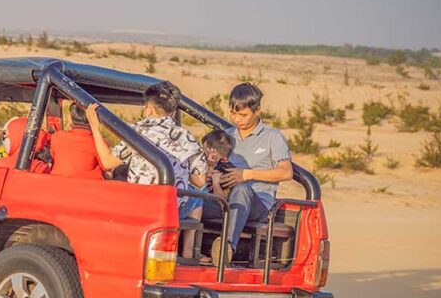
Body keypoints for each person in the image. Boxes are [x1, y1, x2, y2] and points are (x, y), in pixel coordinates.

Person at [85, 81, 208, 221]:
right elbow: (199, 181)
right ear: (173, 111)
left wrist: (95, 127)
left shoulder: (136, 131)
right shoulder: (187, 137)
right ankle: (187, 243)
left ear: (149, 108)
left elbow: (107, 163)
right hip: (171, 210)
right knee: (196, 199)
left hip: (140, 205)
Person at [201, 82, 293, 264]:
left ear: (257, 110)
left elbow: (286, 172)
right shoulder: (225, 136)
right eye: (233, 113)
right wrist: (209, 172)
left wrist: (246, 174)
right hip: (222, 199)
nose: (237, 120)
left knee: (242, 190)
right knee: (188, 199)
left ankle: (226, 249)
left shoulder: (272, 137)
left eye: (243, 115)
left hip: (257, 203)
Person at [48, 102, 104, 179]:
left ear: (71, 118)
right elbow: (106, 166)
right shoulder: (99, 143)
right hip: (85, 188)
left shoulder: (57, 137)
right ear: (95, 119)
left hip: (56, 185)